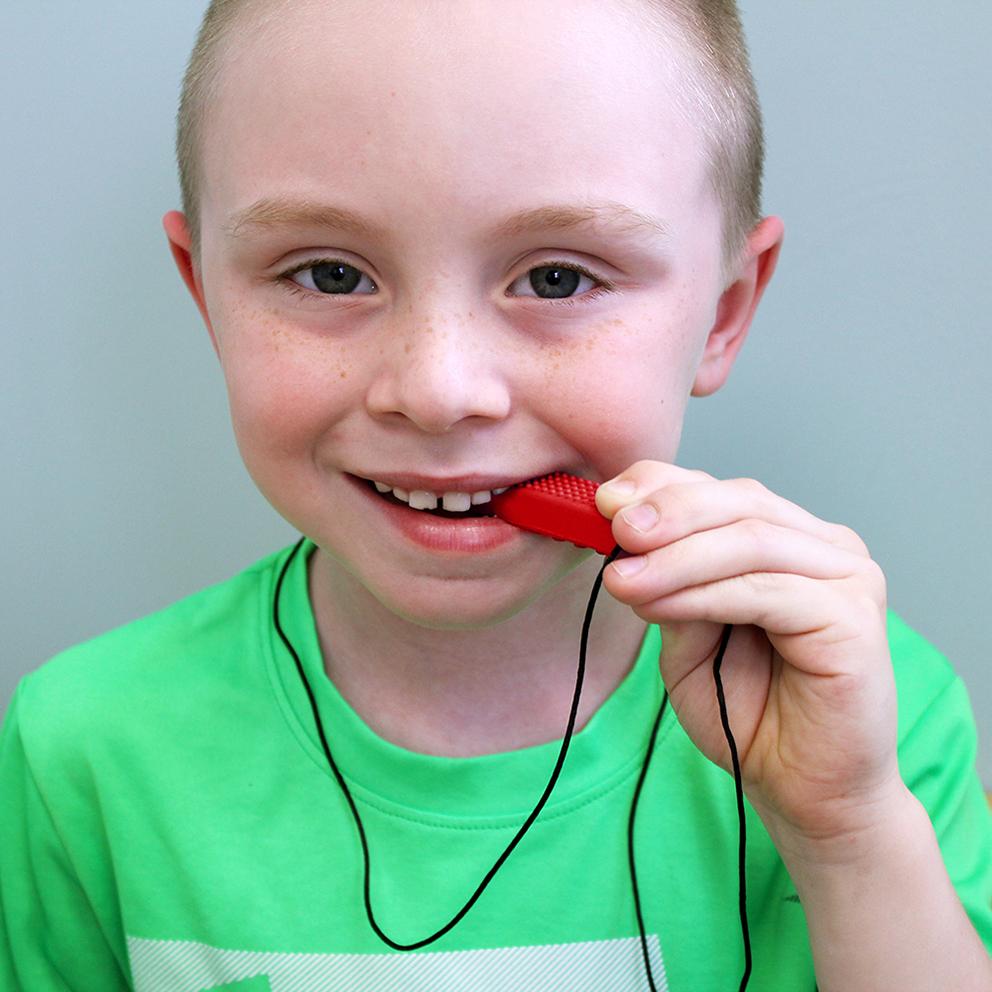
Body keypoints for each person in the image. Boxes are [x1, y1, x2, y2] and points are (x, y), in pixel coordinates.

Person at [2, 0, 990, 989]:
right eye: (330, 272)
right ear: (205, 293)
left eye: (557, 278)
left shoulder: (865, 720)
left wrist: (849, 832)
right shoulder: (81, 748)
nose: (437, 391)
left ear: (723, 311)